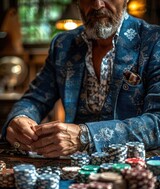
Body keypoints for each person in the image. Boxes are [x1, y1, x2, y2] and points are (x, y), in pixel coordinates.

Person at [1, 0, 160, 158]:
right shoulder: (63, 45)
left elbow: (157, 122)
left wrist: (84, 136)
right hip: (74, 169)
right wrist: (19, 118)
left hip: (137, 168)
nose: (97, 5)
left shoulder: (153, 40)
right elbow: (35, 99)